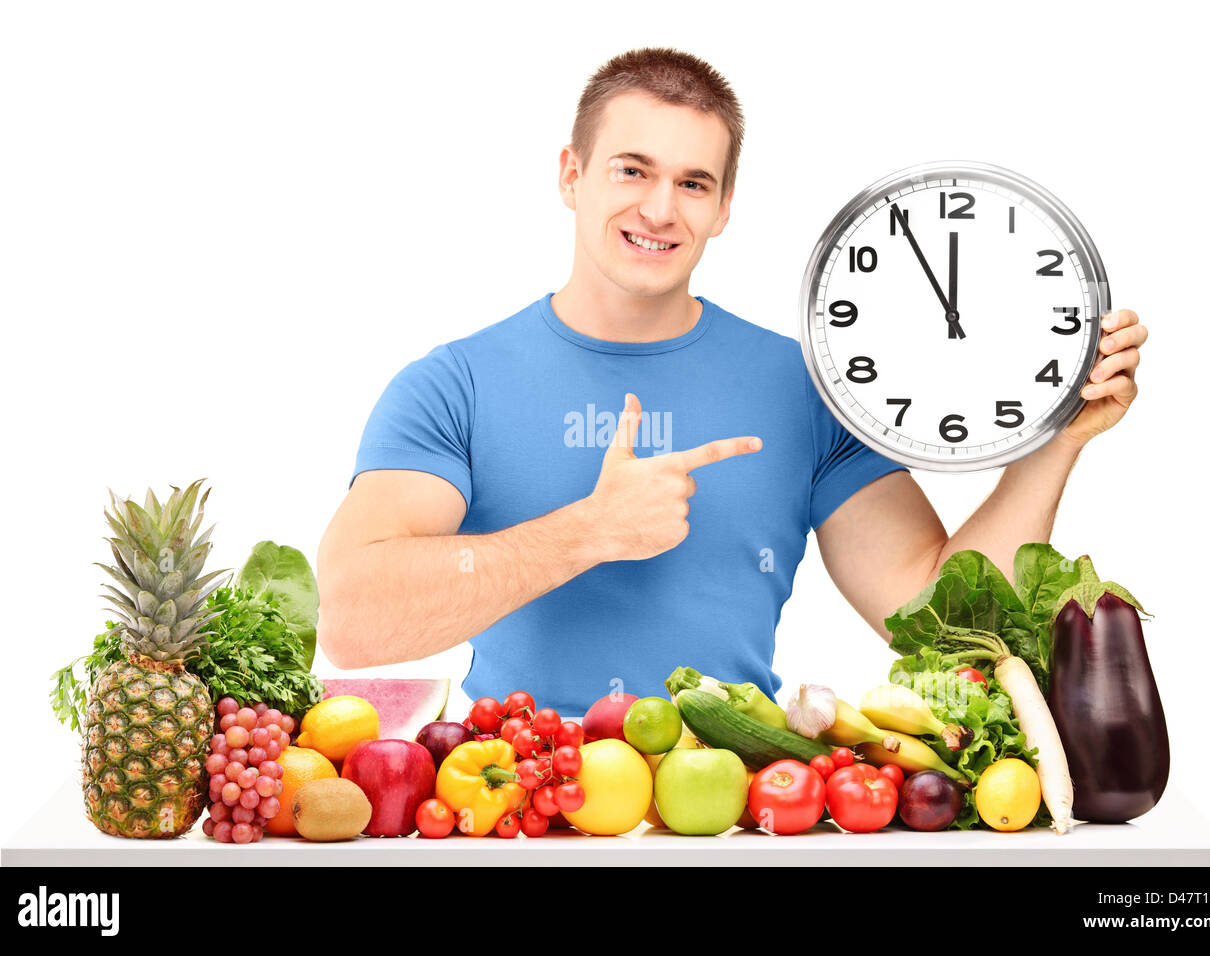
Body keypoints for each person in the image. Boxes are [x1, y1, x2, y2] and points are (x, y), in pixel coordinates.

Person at [316, 47, 1147, 717]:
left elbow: (936, 621)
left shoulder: (808, 385)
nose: (659, 209)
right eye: (631, 170)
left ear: (724, 207)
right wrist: (588, 531)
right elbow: (350, 618)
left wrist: (1056, 443)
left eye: (693, 183)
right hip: (510, 805)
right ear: (571, 175)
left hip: (739, 812)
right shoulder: (454, 384)